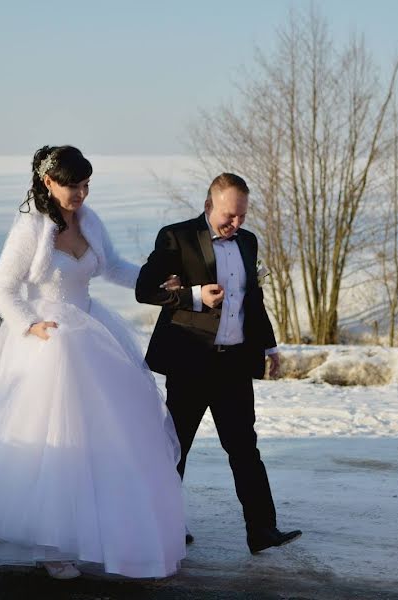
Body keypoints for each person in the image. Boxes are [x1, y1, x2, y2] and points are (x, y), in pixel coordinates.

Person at [0, 146, 186, 579]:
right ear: (48, 182)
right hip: (48, 342)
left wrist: (156, 281)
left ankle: (98, 533)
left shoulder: (90, 221)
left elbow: (112, 267)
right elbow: (2, 288)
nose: (80, 193)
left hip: (92, 335)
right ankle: (49, 543)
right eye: (72, 185)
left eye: (85, 184)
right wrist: (30, 325)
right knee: (53, 442)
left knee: (106, 439)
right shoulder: (30, 228)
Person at [135, 173, 302, 554]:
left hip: (234, 365)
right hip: (190, 364)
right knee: (174, 451)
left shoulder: (248, 241)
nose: (236, 224)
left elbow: (251, 300)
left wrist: (270, 347)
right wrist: (193, 296)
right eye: (229, 216)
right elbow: (145, 290)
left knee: (245, 449)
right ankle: (164, 526)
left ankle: (262, 531)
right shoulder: (175, 237)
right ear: (209, 204)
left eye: (242, 215)